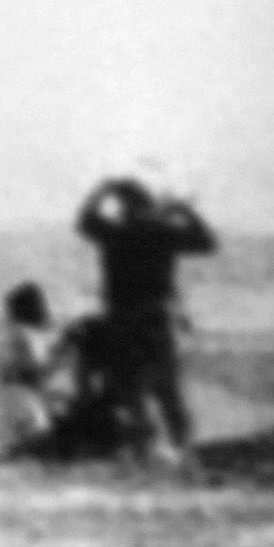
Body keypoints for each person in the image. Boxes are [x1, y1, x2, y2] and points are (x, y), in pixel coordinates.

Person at [72, 169, 219, 462]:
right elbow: (208, 242)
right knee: (168, 390)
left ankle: (144, 452)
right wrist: (184, 210)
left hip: (121, 321)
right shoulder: (161, 232)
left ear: (122, 207)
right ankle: (183, 449)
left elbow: (83, 221)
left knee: (132, 394)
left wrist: (102, 190)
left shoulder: (114, 233)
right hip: (156, 320)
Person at [0, 282, 70, 456]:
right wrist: (63, 352)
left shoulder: (18, 333)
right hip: (20, 397)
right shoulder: (26, 334)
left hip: (11, 396)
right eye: (40, 306)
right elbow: (36, 369)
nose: (45, 310)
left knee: (21, 444)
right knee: (34, 443)